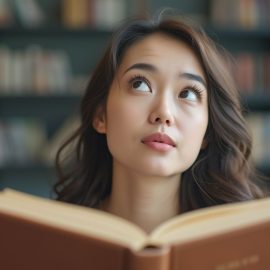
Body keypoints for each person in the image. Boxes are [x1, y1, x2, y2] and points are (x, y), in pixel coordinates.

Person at [54, 12, 266, 233]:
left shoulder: (248, 240)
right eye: (140, 84)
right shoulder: (56, 237)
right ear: (101, 116)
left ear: (207, 133)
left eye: (188, 94)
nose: (164, 113)